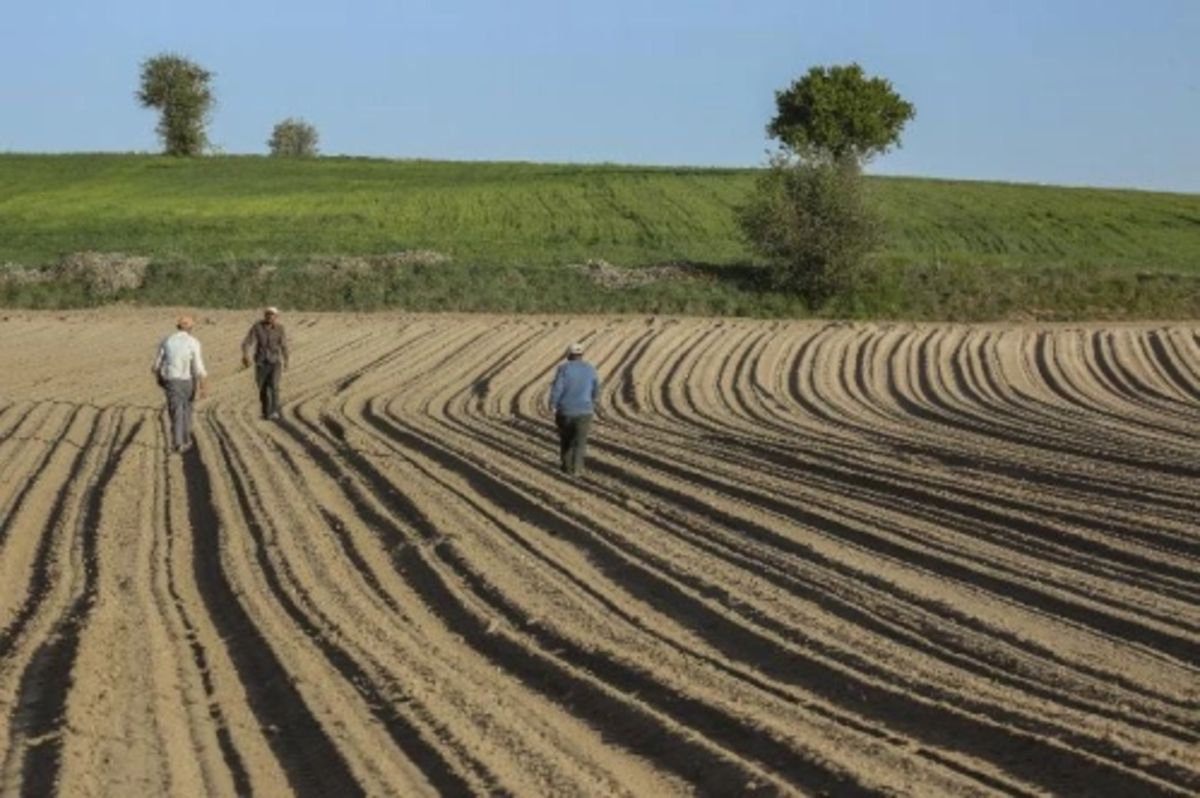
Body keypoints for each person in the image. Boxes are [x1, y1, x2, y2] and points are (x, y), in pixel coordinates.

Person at [152, 314, 208, 453]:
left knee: (176, 411)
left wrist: (160, 379)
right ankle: (186, 439)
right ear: (191, 327)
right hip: (188, 381)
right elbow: (198, 366)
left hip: (171, 380)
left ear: (177, 327)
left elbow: (156, 365)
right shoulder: (193, 342)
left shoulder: (166, 340)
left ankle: (178, 443)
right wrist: (203, 385)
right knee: (187, 410)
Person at [549, 342, 601, 476]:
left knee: (566, 439)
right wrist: (593, 402)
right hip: (585, 411)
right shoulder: (590, 369)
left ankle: (566, 466)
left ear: (568, 355)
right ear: (582, 355)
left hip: (565, 411)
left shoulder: (563, 369)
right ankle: (577, 469)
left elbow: (557, 388)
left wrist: (553, 404)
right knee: (580, 442)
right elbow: (596, 389)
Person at [241, 306, 290, 420]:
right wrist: (245, 355)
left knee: (274, 386)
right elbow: (247, 342)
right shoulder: (257, 327)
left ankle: (274, 410)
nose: (270, 317)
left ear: (276, 317)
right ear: (265, 316)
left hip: (275, 361)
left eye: (272, 315)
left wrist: (286, 360)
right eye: (268, 314)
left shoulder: (280, 329)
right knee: (262, 388)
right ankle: (265, 411)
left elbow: (284, 346)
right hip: (261, 362)